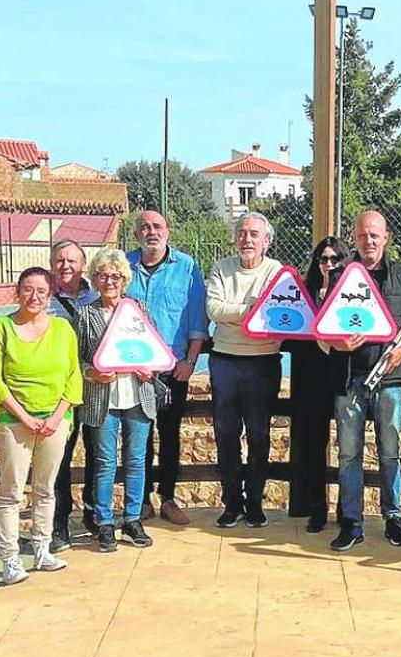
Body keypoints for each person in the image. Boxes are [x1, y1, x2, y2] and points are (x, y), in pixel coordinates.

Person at [324, 211, 401, 551]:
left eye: (375, 235)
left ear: (386, 237)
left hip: (391, 380)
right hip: (349, 379)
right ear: (354, 238)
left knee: (391, 453)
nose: (369, 241)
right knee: (349, 455)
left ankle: (393, 517)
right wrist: (337, 342)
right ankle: (352, 521)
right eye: (364, 235)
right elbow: (322, 327)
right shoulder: (338, 277)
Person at [0, 267, 83, 585]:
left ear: (50, 295)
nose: (34, 296)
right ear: (17, 292)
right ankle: (10, 559)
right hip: (15, 422)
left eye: (41, 290)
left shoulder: (63, 329)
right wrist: (25, 417)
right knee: (11, 492)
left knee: (45, 489)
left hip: (55, 422)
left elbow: (73, 376)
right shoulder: (2, 327)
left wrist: (55, 418)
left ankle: (42, 549)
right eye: (28, 289)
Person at [73, 249, 159, 552]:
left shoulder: (139, 309)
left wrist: (151, 369)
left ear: (125, 279)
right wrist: (92, 372)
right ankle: (105, 522)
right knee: (105, 463)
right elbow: (76, 360)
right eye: (102, 275)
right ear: (94, 279)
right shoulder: (84, 314)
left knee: (136, 462)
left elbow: (153, 350)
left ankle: (133, 520)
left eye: (116, 275)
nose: (109, 281)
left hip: (137, 396)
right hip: (102, 400)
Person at [125, 210, 207, 526]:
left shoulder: (187, 268)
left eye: (157, 226)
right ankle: (141, 500)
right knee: (137, 437)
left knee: (170, 435)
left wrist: (190, 362)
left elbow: (197, 319)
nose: (151, 232)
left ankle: (168, 498)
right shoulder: (124, 267)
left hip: (174, 371)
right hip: (133, 370)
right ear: (136, 234)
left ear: (168, 232)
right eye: (144, 227)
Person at [206, 212, 283, 528]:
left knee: (259, 435)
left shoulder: (277, 272)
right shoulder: (221, 268)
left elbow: (277, 313)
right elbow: (213, 309)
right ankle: (231, 503)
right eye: (242, 232)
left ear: (267, 241)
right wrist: (252, 311)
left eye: (254, 234)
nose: (247, 239)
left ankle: (254, 503)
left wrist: (234, 315)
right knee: (225, 435)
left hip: (263, 362)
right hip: (224, 359)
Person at [287, 236, 347, 533]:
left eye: (335, 259)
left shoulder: (353, 291)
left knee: (349, 447)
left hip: (345, 376)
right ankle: (316, 508)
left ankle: (347, 510)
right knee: (313, 446)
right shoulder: (304, 291)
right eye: (323, 259)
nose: (329, 264)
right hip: (311, 379)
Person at [48, 239, 100, 552]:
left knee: (98, 453)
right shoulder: (43, 298)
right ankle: (59, 522)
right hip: (58, 393)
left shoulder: (98, 294)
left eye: (71, 260)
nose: (65, 266)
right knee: (59, 458)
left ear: (83, 264)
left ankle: (93, 513)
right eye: (59, 261)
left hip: (93, 389)